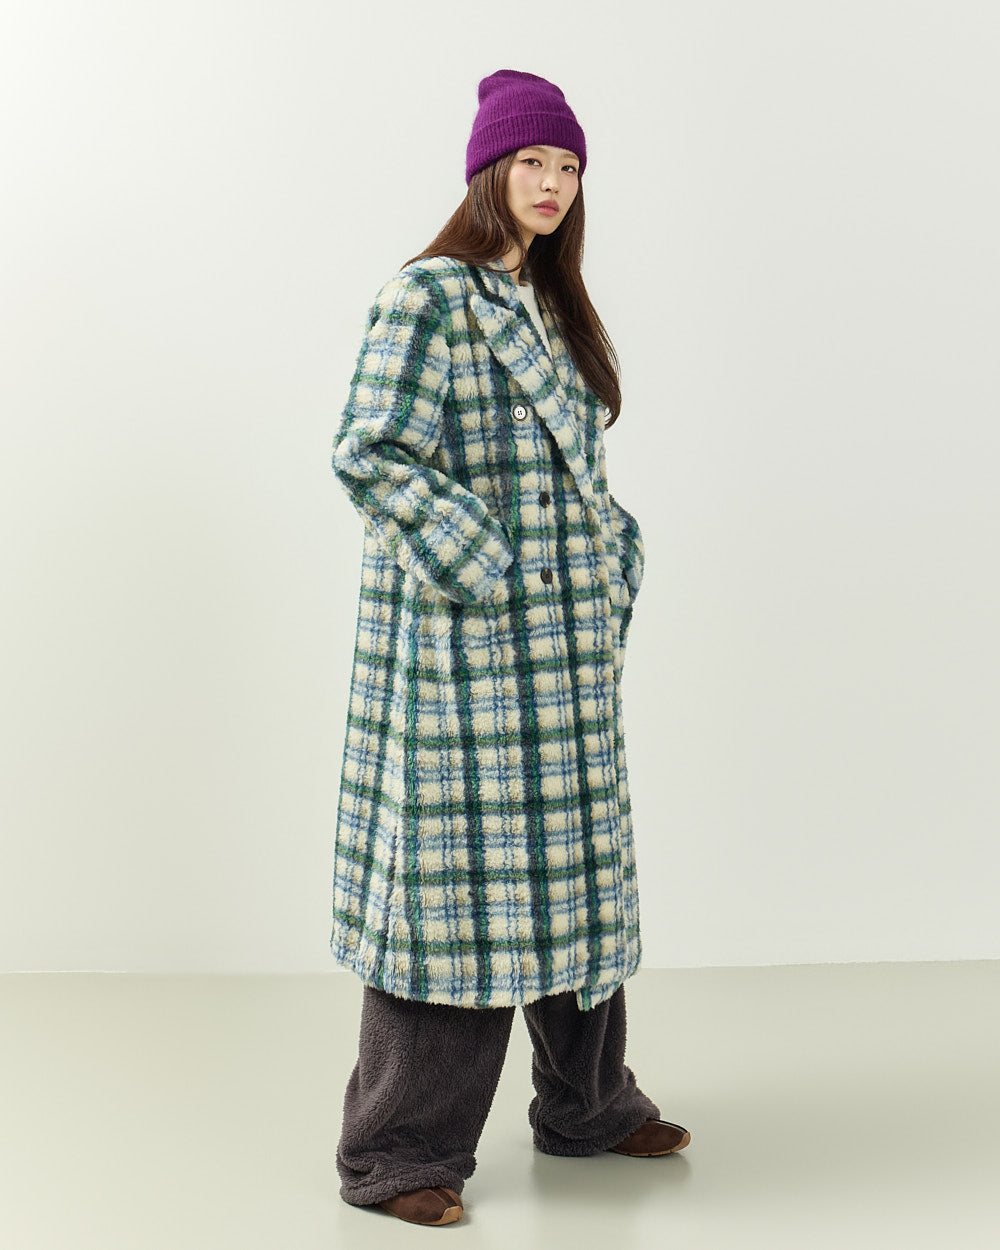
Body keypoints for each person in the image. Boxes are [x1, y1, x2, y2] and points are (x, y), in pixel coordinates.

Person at [329, 68, 690, 1227]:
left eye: (568, 165)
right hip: (468, 654)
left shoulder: (547, 301)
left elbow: (571, 475)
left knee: (574, 881)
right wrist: (487, 566)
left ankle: (587, 1104)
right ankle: (397, 1150)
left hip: (564, 654)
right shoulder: (427, 295)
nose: (552, 182)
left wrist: (610, 558)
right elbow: (370, 449)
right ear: (489, 169)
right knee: (454, 902)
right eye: (532, 161)